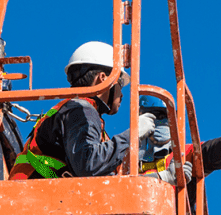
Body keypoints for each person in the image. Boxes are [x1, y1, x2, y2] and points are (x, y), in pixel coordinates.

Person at [9, 41, 155, 180]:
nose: (121, 93)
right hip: (36, 196)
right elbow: (88, 164)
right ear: (103, 78)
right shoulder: (82, 110)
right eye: (120, 82)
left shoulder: (73, 109)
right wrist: (132, 135)